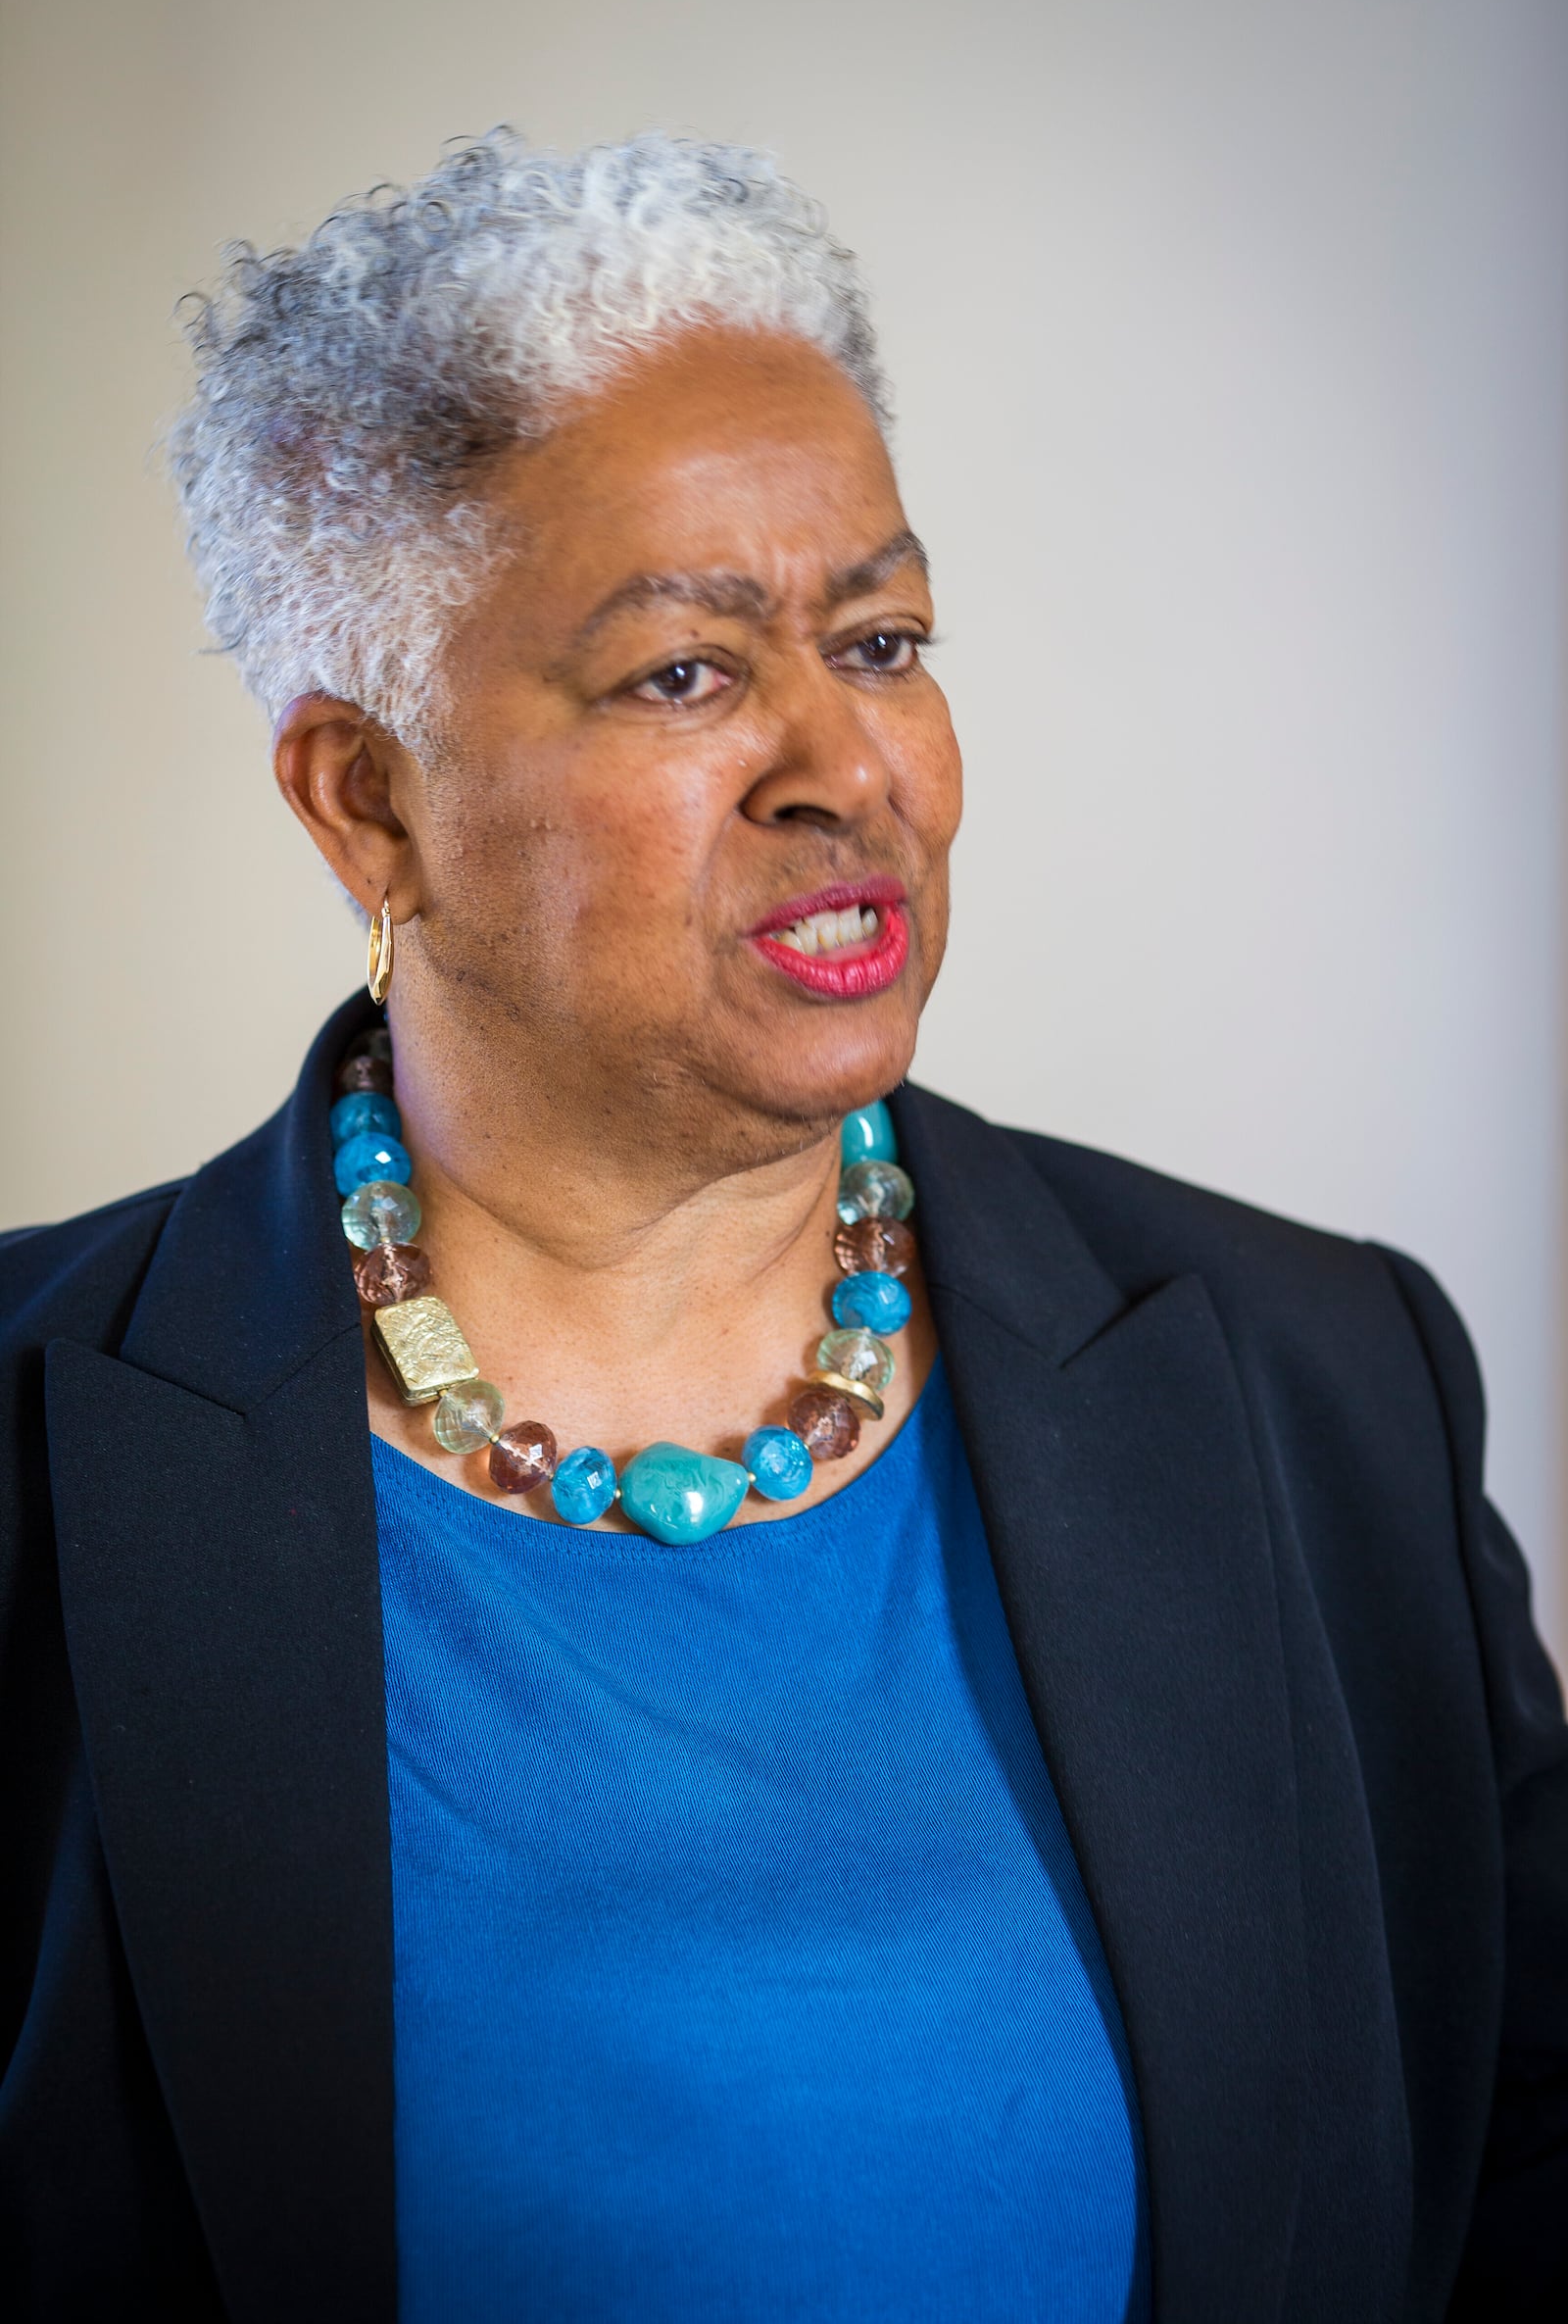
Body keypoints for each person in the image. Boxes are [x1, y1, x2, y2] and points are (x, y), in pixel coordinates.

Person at [1, 129, 1563, 2324]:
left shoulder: (1318, 1378)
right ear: (369, 796)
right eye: (685, 676)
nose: (853, 767)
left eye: (882, 637)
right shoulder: (33, 1448)